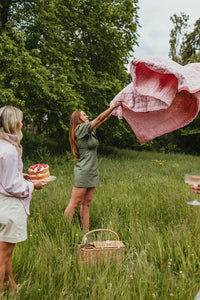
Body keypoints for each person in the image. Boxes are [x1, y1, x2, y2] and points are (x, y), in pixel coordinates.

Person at [0, 106, 47, 295]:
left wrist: (21, 176)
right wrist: (32, 185)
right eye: (20, 120)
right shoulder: (10, 151)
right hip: (9, 207)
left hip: (1, 204)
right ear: (12, 123)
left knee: (5, 254)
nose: (21, 123)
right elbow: (11, 186)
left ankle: (12, 288)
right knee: (3, 257)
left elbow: (5, 177)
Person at [64, 100, 124, 231]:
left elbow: (102, 120)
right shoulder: (80, 129)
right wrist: (113, 106)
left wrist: (114, 109)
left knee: (86, 204)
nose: (87, 116)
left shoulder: (89, 130)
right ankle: (64, 231)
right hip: (83, 171)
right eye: (84, 115)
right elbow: (99, 118)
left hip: (92, 171)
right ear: (77, 120)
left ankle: (86, 232)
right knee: (74, 204)